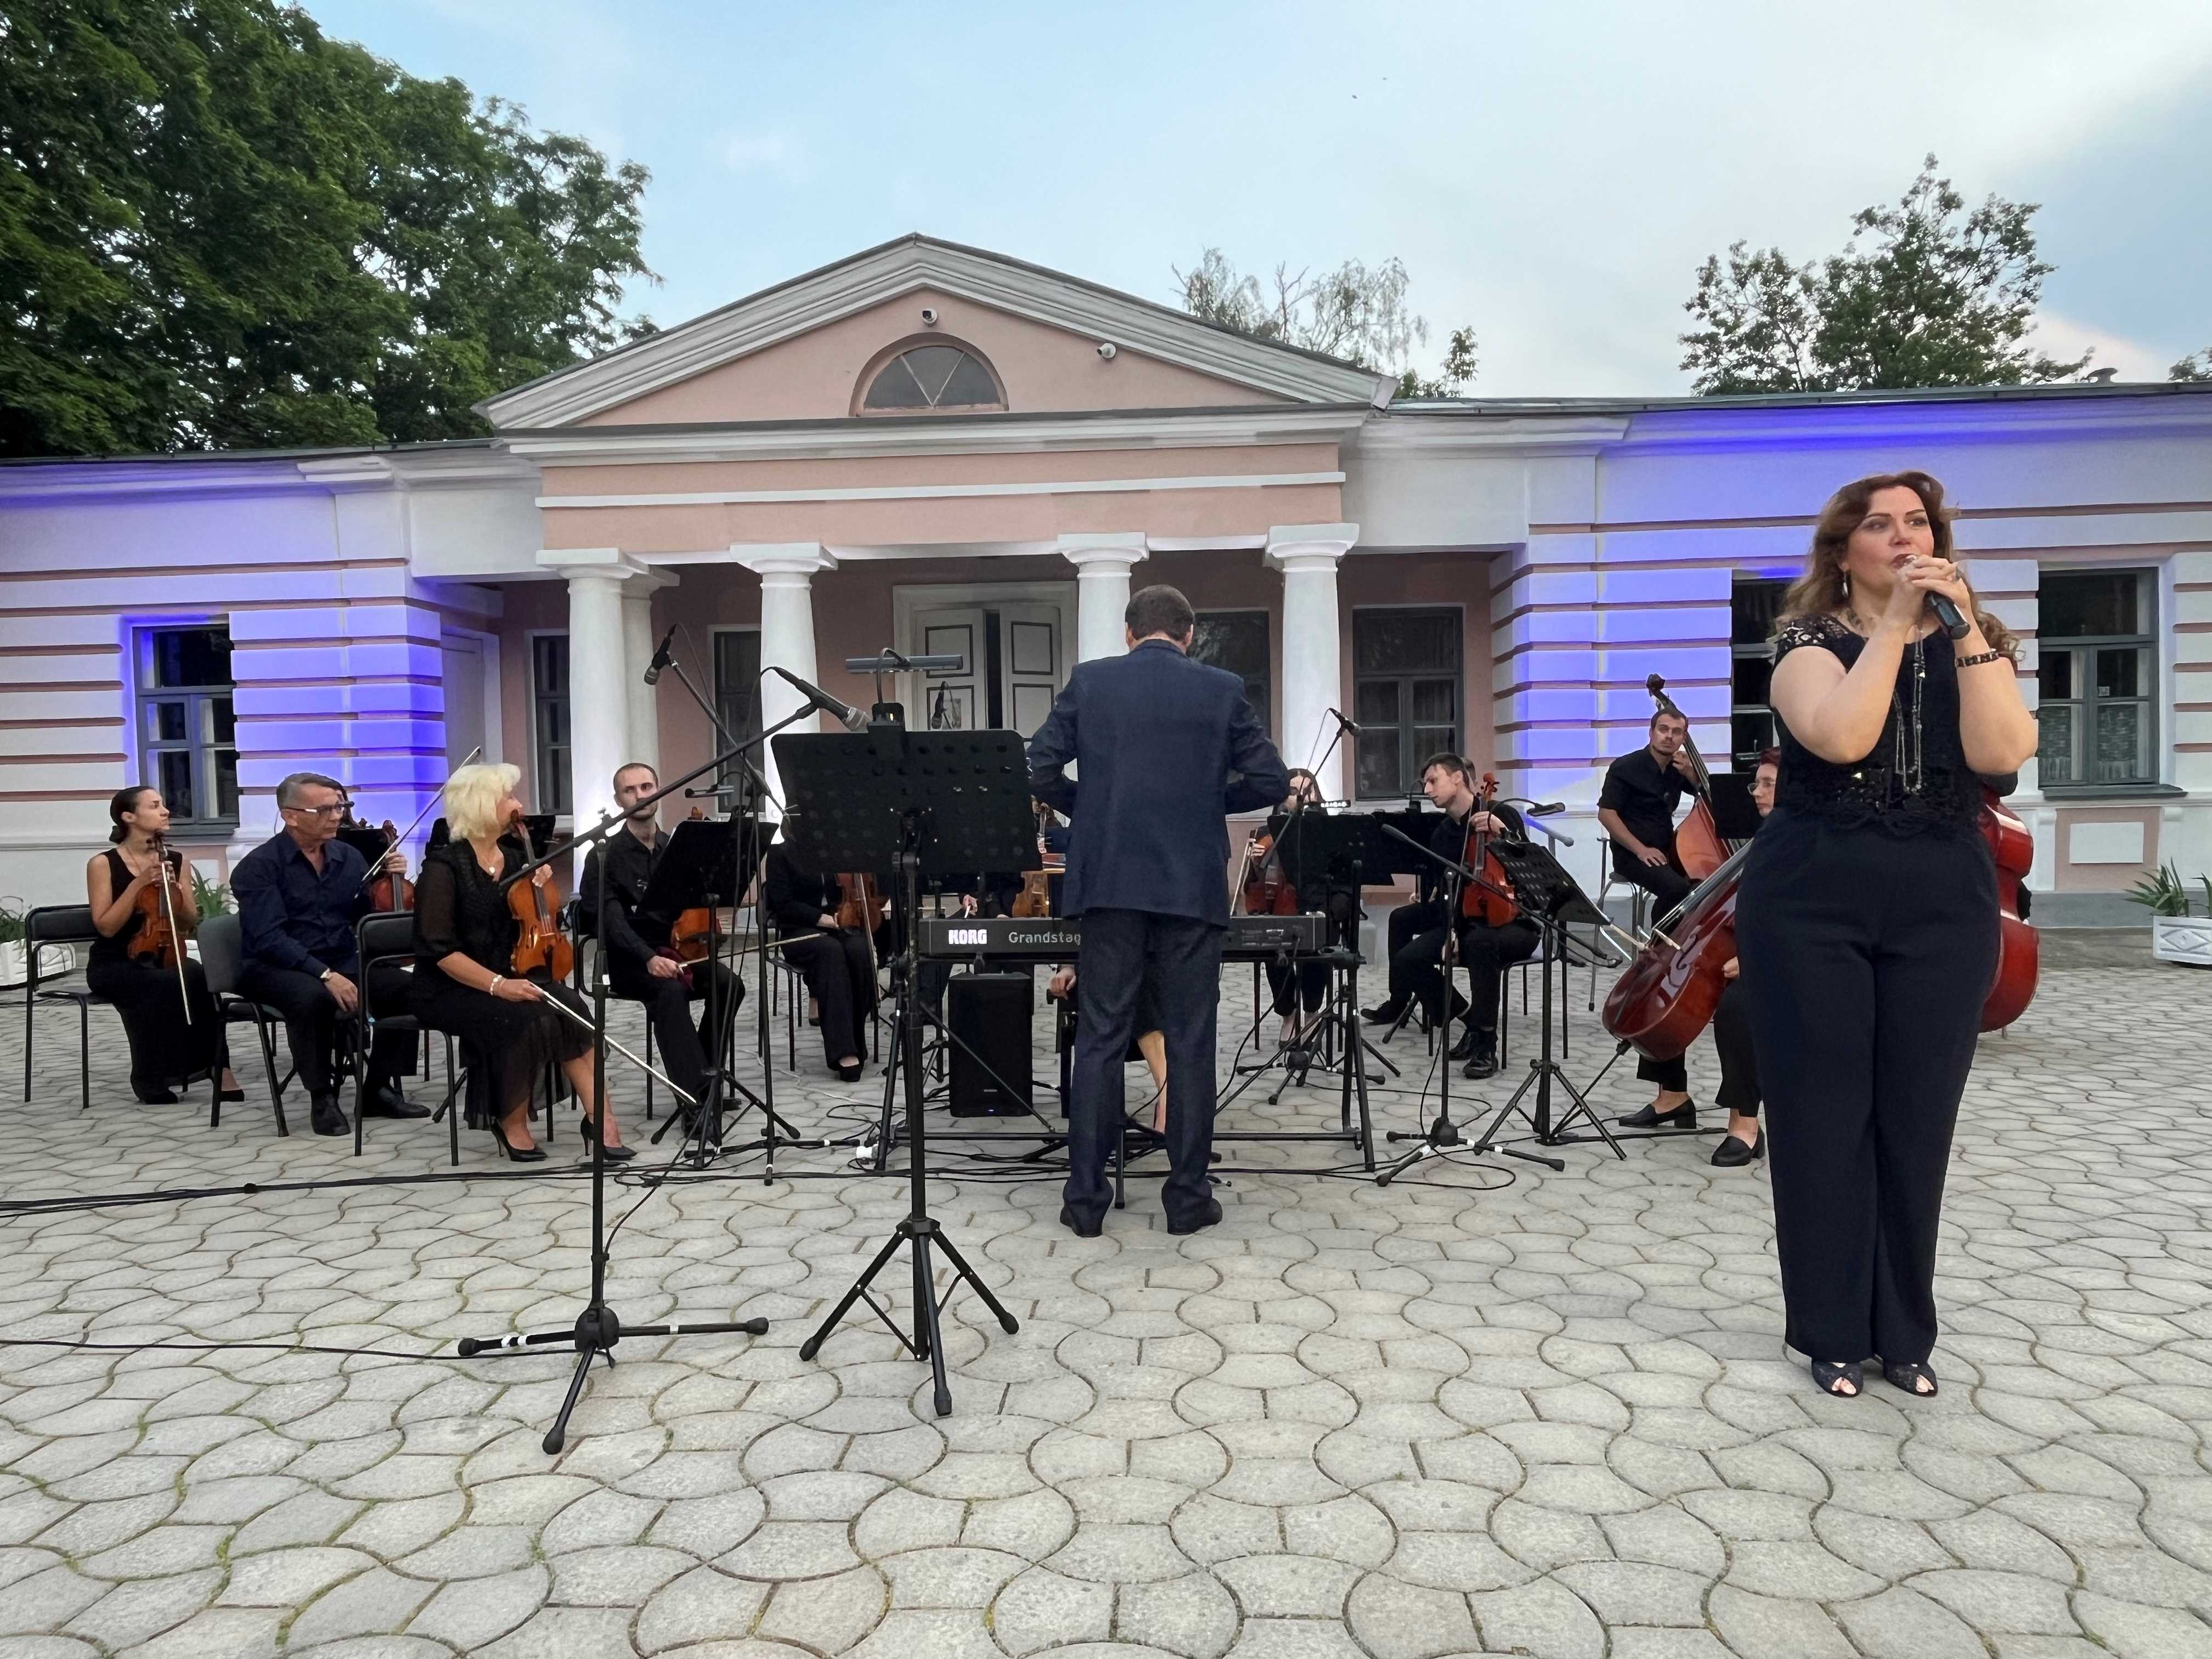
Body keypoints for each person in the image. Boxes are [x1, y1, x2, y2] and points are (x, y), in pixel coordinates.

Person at [1735, 471, 2036, 1401]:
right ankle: (1829, 1329)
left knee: (1917, 1119)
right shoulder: (1804, 647)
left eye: (1918, 523)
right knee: (1823, 1117)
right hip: (1810, 901)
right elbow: (1841, 737)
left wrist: (1963, 628)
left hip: (1943, 901)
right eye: (1879, 524)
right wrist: (1897, 626)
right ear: (1843, 550)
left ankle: (1904, 1331)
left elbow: (2001, 755)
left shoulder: (1976, 642)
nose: (1905, 537)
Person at [1028, 583, 1288, 1238]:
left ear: (1128, 632)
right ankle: (1187, 1201)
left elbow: (1037, 768)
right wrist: (1203, 800)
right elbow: (1270, 781)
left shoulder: (1091, 682)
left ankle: (1085, 1203)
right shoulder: (1222, 689)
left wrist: (1091, 804)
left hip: (1108, 882)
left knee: (1100, 1038)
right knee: (1191, 1041)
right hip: (1188, 887)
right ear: (1189, 634)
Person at [410, 763, 629, 1162]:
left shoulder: (515, 861)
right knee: (527, 1018)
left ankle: (602, 1122)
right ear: (481, 804)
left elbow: (535, 925)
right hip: (450, 986)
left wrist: (543, 893)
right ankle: (512, 1123)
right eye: (509, 796)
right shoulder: (443, 868)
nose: (519, 804)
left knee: (573, 1009)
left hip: (511, 972)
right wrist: (499, 986)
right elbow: (439, 951)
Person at [233, 771, 422, 1137]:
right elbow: (270, 938)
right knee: (312, 999)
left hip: (339, 959)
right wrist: (325, 974)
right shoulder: (259, 867)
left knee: (410, 989)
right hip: (274, 967)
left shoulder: (348, 857)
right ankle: (322, 1097)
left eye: (340, 807)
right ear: (290, 816)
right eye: (325, 810)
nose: (337, 816)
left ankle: (377, 1087)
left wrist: (392, 882)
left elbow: (361, 917)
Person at [1618, 749, 1777, 1165]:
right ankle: (1672, 1096)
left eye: (1768, 785)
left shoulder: (1805, 845)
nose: (1756, 792)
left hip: (1783, 958)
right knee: (1669, 984)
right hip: (1737, 943)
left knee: (1737, 1006)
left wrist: (1757, 958)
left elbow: (1811, 921)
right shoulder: (1759, 837)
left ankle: (1745, 1125)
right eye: (1756, 783)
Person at [578, 763, 745, 1130]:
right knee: (669, 992)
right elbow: (611, 923)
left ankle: (704, 1079)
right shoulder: (605, 855)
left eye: (646, 787)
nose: (640, 796)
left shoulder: (675, 847)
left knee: (729, 984)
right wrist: (648, 957)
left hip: (677, 951)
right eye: (630, 790)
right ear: (618, 800)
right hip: (629, 959)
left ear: (658, 790)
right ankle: (694, 1100)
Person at [1365, 755, 1536, 1079]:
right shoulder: (1443, 833)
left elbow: (1529, 867)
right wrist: (1452, 931)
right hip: (1466, 921)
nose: (1427, 790)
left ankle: (1486, 1045)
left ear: (1458, 778)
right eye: (1425, 784)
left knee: (1482, 943)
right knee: (1408, 960)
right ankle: (1470, 1019)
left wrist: (1503, 833)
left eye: (1434, 781)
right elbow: (1449, 893)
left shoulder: (1499, 814)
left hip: (1514, 923)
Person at [84, 787, 241, 1104]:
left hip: (165, 951)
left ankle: (218, 1067)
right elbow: (106, 926)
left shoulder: (177, 860)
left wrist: (176, 891)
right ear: (129, 817)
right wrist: (139, 884)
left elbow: (188, 922)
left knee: (199, 978)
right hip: (115, 960)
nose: (166, 811)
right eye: (155, 806)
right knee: (156, 984)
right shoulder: (102, 863)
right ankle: (150, 1076)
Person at [1250, 769, 1356, 1050]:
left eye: (1308, 791)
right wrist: (1255, 864)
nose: (1302, 798)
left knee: (1315, 945)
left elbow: (1344, 881)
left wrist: (1331, 912)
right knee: (1272, 948)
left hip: (1320, 907)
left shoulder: (1331, 831)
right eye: (1294, 792)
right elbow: (1254, 886)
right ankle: (1288, 1014)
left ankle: (1311, 1012)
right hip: (1279, 909)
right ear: (1282, 797)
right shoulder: (1267, 833)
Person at [763, 843, 878, 1081]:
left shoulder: (831, 848)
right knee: (831, 952)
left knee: (859, 950)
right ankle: (843, 1051)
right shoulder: (780, 854)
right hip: (798, 931)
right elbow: (783, 905)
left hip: (837, 924)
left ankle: (856, 1040)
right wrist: (819, 918)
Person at [1598, 710, 1701, 920]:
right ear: (1651, 732)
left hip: (1670, 851)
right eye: (1663, 729)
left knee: (1705, 884)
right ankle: (1659, 940)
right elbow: (1606, 814)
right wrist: (1641, 850)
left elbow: (1707, 796)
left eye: (1677, 732)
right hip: (1632, 854)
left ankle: (1684, 937)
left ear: (1684, 738)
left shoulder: (1678, 769)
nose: (1669, 736)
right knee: (1675, 889)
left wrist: (1691, 773)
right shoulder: (1625, 767)